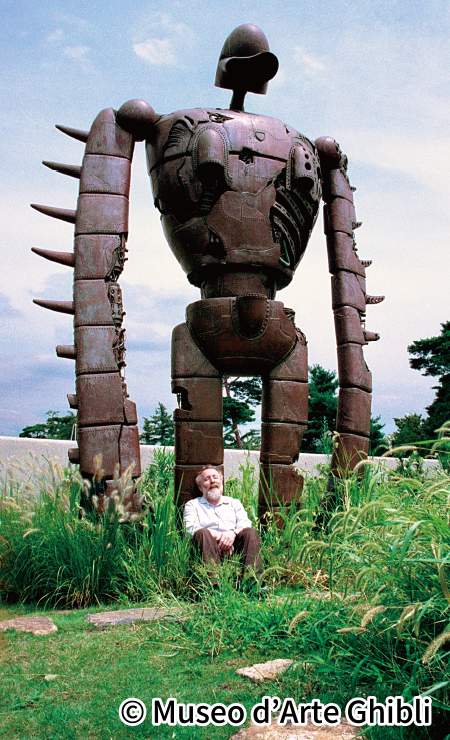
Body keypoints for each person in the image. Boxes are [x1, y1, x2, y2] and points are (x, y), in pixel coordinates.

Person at [184, 466, 263, 578]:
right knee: (201, 534)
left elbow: (245, 523)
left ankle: (254, 582)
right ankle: (212, 585)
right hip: (207, 549)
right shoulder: (193, 505)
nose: (212, 481)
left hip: (235, 547)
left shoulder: (234, 503)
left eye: (215, 477)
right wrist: (221, 537)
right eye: (207, 479)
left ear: (221, 482)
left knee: (250, 532)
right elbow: (189, 529)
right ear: (200, 487)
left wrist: (232, 534)